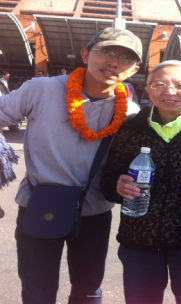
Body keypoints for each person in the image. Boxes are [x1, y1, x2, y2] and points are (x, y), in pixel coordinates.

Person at [0, 27, 142, 304]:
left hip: (95, 212)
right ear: (86, 54)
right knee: (38, 291)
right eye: (107, 52)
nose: (114, 62)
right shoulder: (42, 89)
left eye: (125, 59)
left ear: (134, 70)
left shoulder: (131, 113)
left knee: (89, 291)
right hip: (40, 205)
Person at [100, 60, 181, 304]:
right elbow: (107, 181)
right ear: (148, 90)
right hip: (138, 241)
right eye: (160, 84)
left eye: (180, 85)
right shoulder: (127, 130)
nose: (170, 92)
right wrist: (116, 186)